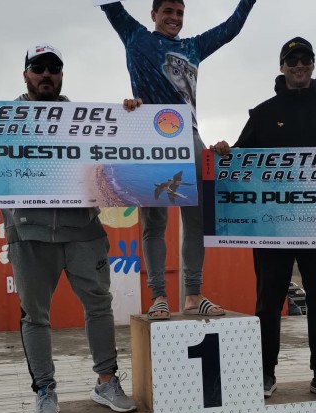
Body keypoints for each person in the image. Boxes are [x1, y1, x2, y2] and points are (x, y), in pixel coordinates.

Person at [0, 43, 139, 413]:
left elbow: (120, 153)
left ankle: (106, 382)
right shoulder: (0, 119)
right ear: (26, 75)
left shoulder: (85, 119)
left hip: (82, 229)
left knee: (99, 305)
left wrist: (133, 118)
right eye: (38, 68)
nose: (46, 74)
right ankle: (45, 391)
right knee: (35, 315)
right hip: (29, 232)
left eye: (54, 68)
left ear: (62, 75)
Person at [210, 37, 316, 401]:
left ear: (313, 64)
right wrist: (224, 152)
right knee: (267, 303)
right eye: (292, 60)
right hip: (271, 226)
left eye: (305, 59)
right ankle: (264, 372)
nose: (299, 65)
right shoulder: (262, 113)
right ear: (282, 66)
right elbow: (238, 161)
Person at [99, 0, 256, 319]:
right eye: (168, 12)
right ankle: (158, 296)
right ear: (153, 15)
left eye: (179, 13)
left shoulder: (193, 47)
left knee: (196, 221)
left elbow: (232, 27)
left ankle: (193, 296)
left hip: (189, 137)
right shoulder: (135, 36)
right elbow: (110, 5)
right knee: (154, 224)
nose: (174, 18)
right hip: (150, 139)